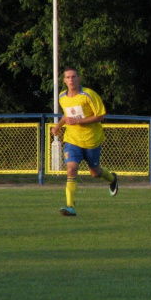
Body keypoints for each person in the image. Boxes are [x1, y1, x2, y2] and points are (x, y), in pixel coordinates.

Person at [51, 67, 118, 216]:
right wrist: (58, 126)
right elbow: (66, 114)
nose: (71, 80)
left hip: (91, 140)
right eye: (67, 77)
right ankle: (70, 206)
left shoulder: (88, 94)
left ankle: (112, 178)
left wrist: (79, 120)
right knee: (71, 169)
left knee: (95, 173)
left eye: (73, 76)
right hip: (72, 139)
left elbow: (101, 115)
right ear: (64, 80)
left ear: (79, 78)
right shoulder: (62, 96)